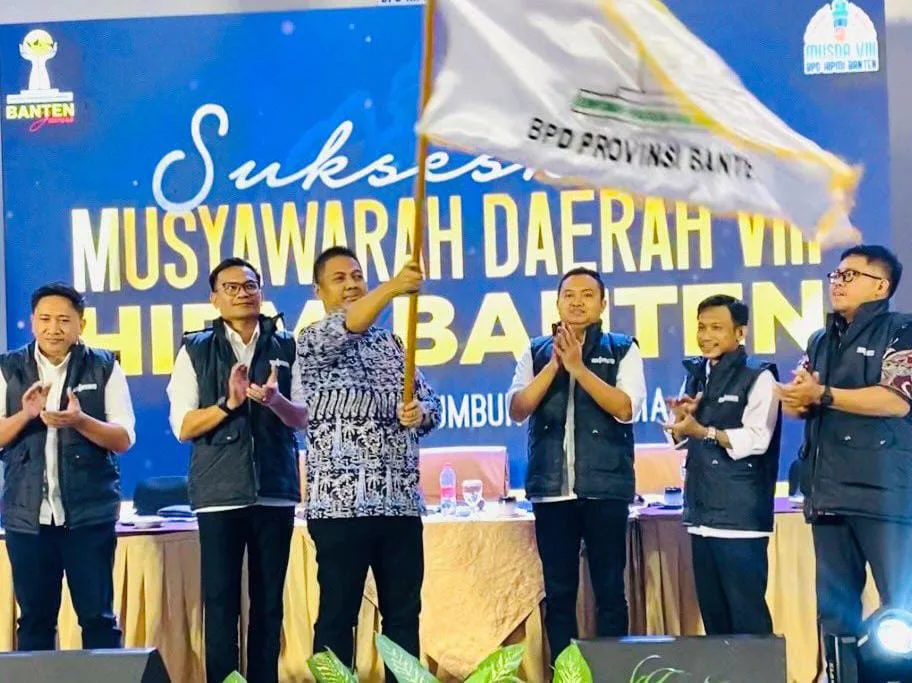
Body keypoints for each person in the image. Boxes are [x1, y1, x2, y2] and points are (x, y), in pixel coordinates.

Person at [297, 246, 441, 673]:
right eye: (339, 278)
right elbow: (351, 322)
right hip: (341, 508)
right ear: (319, 290)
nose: (352, 284)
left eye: (357, 275)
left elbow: (432, 406)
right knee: (338, 617)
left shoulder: (393, 345)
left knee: (403, 618)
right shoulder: (312, 340)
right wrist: (395, 286)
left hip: (399, 505)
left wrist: (419, 413)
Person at [166, 257, 307, 683]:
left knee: (269, 605)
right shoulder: (195, 349)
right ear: (214, 298)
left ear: (261, 291)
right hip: (219, 494)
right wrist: (229, 404)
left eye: (250, 285)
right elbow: (183, 426)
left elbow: (303, 418)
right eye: (231, 287)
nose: (243, 293)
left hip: (275, 490)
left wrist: (274, 401)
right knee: (221, 604)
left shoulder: (287, 345)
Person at [776, 245, 912, 667]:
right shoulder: (821, 339)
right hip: (828, 494)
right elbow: (802, 402)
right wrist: (795, 398)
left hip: (884, 496)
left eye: (849, 275)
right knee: (835, 615)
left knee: (901, 611)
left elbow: (896, 400)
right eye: (835, 275)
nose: (837, 282)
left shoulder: (901, 330)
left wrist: (823, 394)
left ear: (880, 286)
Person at [507, 266, 646, 662]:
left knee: (609, 592)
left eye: (587, 295)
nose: (578, 302)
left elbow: (626, 408)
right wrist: (555, 364)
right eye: (569, 295)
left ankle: (611, 673)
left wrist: (579, 369)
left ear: (603, 304)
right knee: (559, 594)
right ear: (557, 303)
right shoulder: (536, 351)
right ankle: (565, 673)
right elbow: (518, 408)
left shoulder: (622, 348)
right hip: (552, 493)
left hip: (605, 489)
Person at [0, 283, 135, 650]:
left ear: (81, 324)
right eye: (45, 319)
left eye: (63, 320)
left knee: (98, 619)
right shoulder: (8, 368)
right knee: (34, 620)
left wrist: (80, 421)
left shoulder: (104, 366)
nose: (53, 329)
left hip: (89, 516)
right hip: (27, 517)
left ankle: (104, 676)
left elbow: (123, 438)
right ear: (32, 322)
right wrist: (25, 415)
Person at [665, 294, 781, 636]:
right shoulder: (696, 374)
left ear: (740, 332)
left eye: (716, 328)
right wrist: (680, 422)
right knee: (715, 623)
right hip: (701, 517)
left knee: (748, 621)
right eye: (701, 327)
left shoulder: (759, 376)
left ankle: (762, 668)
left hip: (740, 518)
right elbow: (684, 439)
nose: (705, 336)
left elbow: (757, 439)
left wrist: (704, 430)